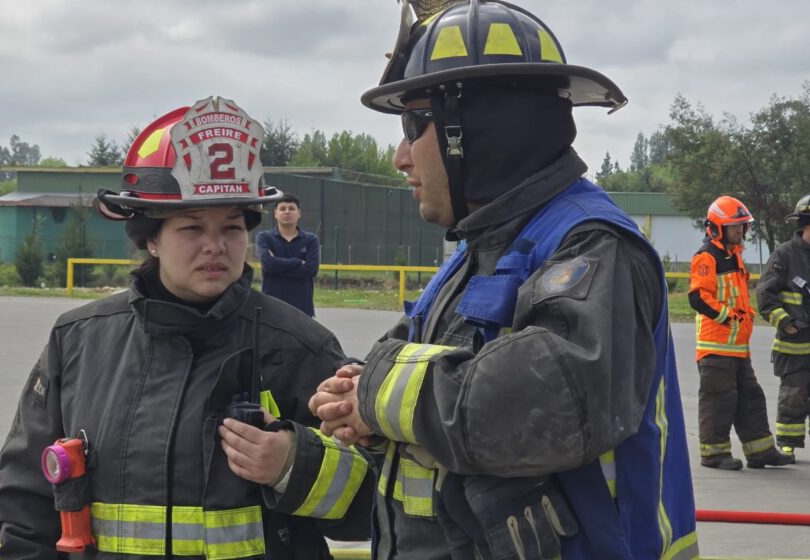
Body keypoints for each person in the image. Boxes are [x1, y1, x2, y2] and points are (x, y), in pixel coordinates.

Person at [309, 1, 698, 558]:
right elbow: (410, 371)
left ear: (477, 131)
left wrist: (372, 392)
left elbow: (546, 405)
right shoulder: (474, 254)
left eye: (414, 125)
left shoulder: (592, 245)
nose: (400, 157)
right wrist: (360, 403)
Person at [0, 96, 375, 559]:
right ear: (150, 238)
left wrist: (294, 465)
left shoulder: (299, 347)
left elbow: (377, 501)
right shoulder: (78, 341)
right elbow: (26, 502)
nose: (216, 247)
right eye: (192, 229)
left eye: (232, 228)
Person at [688, 195, 793, 471]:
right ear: (717, 228)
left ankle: (760, 451)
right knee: (719, 401)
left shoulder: (733, 256)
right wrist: (727, 316)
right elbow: (699, 297)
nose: (741, 231)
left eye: (742, 226)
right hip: (716, 347)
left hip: (736, 348)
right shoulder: (707, 256)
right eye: (735, 227)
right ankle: (714, 454)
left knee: (751, 398)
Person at [756, 193, 810, 459]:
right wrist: (785, 322)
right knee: (794, 396)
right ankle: (788, 442)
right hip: (794, 343)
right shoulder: (785, 255)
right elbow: (765, 295)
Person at [256, 194, 320, 317]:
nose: (287, 212)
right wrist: (297, 262)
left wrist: (276, 265)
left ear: (299, 213)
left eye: (291, 208)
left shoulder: (311, 240)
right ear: (275, 213)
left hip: (302, 308)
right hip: (271, 307)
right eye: (282, 208)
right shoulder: (264, 237)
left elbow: (311, 270)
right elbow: (268, 265)